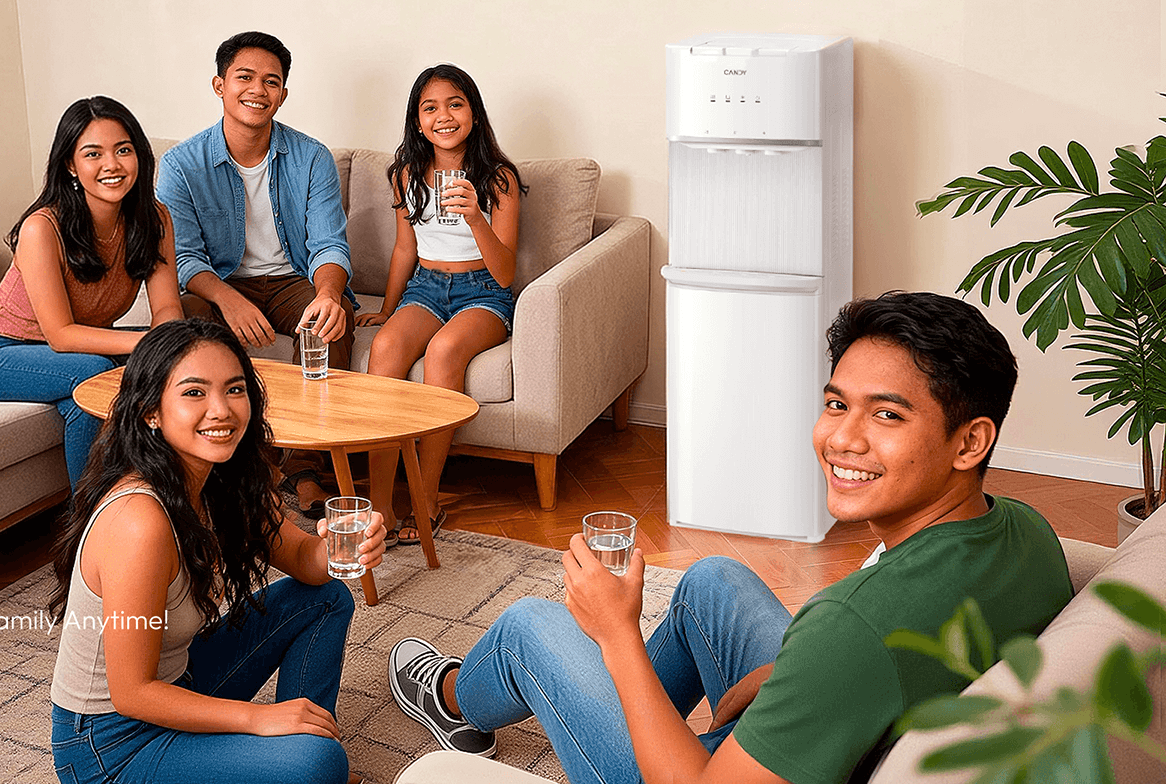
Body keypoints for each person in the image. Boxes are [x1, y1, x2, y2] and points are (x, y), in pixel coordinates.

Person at [387, 291, 1075, 783]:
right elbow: (893, 665)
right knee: (713, 580)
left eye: (887, 414)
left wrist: (617, 632)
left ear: (970, 440)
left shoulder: (852, 628)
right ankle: (621, 708)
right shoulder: (1029, 533)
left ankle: (451, 699)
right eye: (836, 402)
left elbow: (856, 649)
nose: (842, 437)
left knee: (533, 624)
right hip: (835, 723)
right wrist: (788, 675)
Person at [48, 318, 387, 784]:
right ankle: (300, 755)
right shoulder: (138, 521)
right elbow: (132, 693)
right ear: (151, 410)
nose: (221, 410)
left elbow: (306, 564)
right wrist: (256, 719)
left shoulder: (221, 477)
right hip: (112, 745)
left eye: (234, 389)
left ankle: (303, 738)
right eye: (194, 392)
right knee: (319, 766)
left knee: (325, 598)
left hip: (179, 682)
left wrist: (338, 546)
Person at [156, 30, 354, 515]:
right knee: (186, 324)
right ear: (219, 85)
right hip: (220, 284)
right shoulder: (182, 165)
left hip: (292, 280)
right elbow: (185, 258)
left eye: (271, 82)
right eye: (245, 77)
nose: (258, 90)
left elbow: (329, 244)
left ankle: (306, 466)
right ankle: (240, 466)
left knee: (333, 318)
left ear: (283, 95)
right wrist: (228, 298)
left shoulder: (311, 157)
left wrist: (327, 294)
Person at [0, 97, 183, 490]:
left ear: (140, 156)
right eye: (93, 154)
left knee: (94, 399)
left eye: (123, 150)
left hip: (82, 351)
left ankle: (112, 510)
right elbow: (61, 335)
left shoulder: (154, 217)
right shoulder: (43, 228)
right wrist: (148, 343)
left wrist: (164, 343)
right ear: (70, 165)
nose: (111, 165)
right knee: (96, 373)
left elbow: (167, 306)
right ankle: (92, 518)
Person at [356, 64, 526, 545]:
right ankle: (381, 506)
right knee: (385, 350)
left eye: (455, 104)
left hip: (482, 292)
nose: (443, 116)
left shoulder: (499, 178)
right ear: (417, 120)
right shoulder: (407, 174)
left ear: (473, 111)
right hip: (425, 288)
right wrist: (389, 309)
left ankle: (426, 500)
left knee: (445, 353)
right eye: (429, 107)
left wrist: (476, 218)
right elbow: (404, 250)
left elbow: (506, 273)